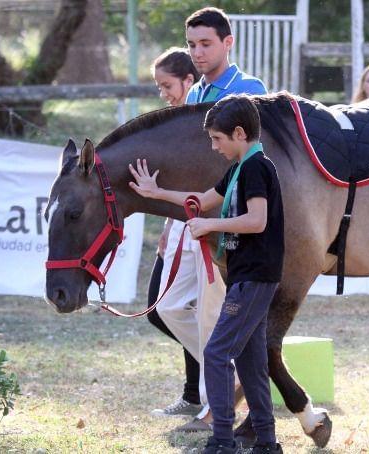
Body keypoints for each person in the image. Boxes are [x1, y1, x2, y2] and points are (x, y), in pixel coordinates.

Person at [129, 94, 284, 454]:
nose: (214, 147)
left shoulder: (257, 168)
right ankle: (266, 440)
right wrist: (156, 193)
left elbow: (256, 220)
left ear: (240, 133)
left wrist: (209, 225)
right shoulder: (238, 169)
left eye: (217, 139)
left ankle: (223, 440)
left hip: (255, 277)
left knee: (215, 353)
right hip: (246, 277)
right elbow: (200, 199)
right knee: (249, 359)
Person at [151, 6, 268, 433]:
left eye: (206, 44)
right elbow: (189, 169)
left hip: (230, 223)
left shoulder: (250, 89)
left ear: (227, 43)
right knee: (166, 307)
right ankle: (228, 379)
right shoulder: (196, 95)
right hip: (193, 217)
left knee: (209, 315)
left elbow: (259, 161)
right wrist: (170, 223)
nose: (197, 53)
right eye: (192, 45)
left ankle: (213, 410)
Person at [145, 47, 204, 419]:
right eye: (159, 86)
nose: (163, 93)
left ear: (188, 82)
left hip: (200, 226)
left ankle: (203, 388)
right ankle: (200, 388)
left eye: (167, 85)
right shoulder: (172, 121)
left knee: (177, 309)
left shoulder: (199, 122)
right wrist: (168, 224)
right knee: (162, 309)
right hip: (178, 223)